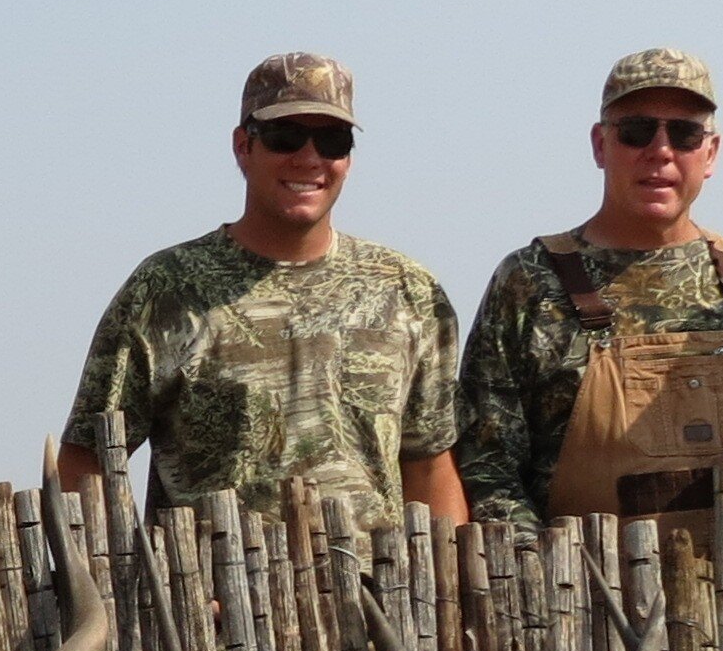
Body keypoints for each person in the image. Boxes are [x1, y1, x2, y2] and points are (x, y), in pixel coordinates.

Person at [58, 53, 463, 535]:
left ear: (348, 159)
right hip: (216, 600)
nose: (309, 158)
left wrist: (446, 591)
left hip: (378, 596)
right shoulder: (166, 288)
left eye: (332, 141)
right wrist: (131, 584)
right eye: (284, 137)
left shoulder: (407, 290)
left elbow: (429, 466)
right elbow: (87, 461)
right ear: (242, 146)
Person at [457, 48, 723, 545]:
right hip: (577, 603)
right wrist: (542, 574)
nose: (660, 151)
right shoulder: (528, 281)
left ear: (710, 152)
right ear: (599, 145)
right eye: (636, 130)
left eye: (684, 133)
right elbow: (487, 465)